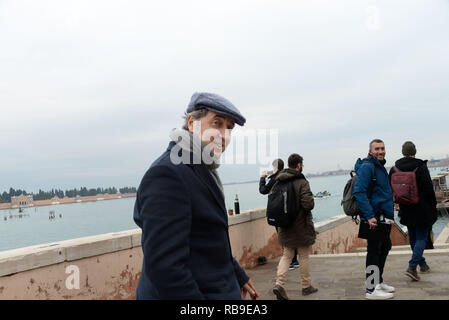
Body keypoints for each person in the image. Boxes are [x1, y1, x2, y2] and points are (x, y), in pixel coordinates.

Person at [133, 92, 259, 300]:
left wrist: (237, 274)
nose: (224, 135)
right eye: (216, 123)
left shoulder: (201, 168)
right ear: (192, 123)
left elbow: (207, 238)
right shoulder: (168, 174)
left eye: (229, 128)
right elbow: (165, 269)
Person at [389, 141, 437, 281]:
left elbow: (390, 187)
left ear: (403, 152)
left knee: (414, 238)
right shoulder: (420, 166)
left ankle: (422, 264)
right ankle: (412, 267)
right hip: (422, 209)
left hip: (405, 208)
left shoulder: (394, 168)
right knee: (422, 238)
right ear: (414, 152)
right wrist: (432, 207)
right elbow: (429, 190)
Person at [353, 139, 395, 300]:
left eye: (382, 148)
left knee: (385, 246)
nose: (381, 151)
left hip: (382, 216)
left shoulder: (379, 166)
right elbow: (359, 192)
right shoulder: (367, 167)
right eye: (377, 149)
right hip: (374, 217)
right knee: (373, 251)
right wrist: (370, 216)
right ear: (370, 151)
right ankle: (371, 289)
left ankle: (378, 281)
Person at [272, 153, 318, 300]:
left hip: (284, 226)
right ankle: (306, 287)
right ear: (299, 165)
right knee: (303, 256)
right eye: (302, 164)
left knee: (287, 255)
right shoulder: (301, 181)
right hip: (300, 227)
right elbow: (308, 204)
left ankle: (279, 284)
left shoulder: (278, 181)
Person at [260, 158, 300, 270]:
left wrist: (262, 178)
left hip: (279, 212)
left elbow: (263, 190)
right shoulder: (288, 176)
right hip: (290, 210)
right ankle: (294, 260)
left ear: (275, 167)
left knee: (283, 237)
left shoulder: (276, 178)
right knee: (290, 235)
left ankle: (289, 262)